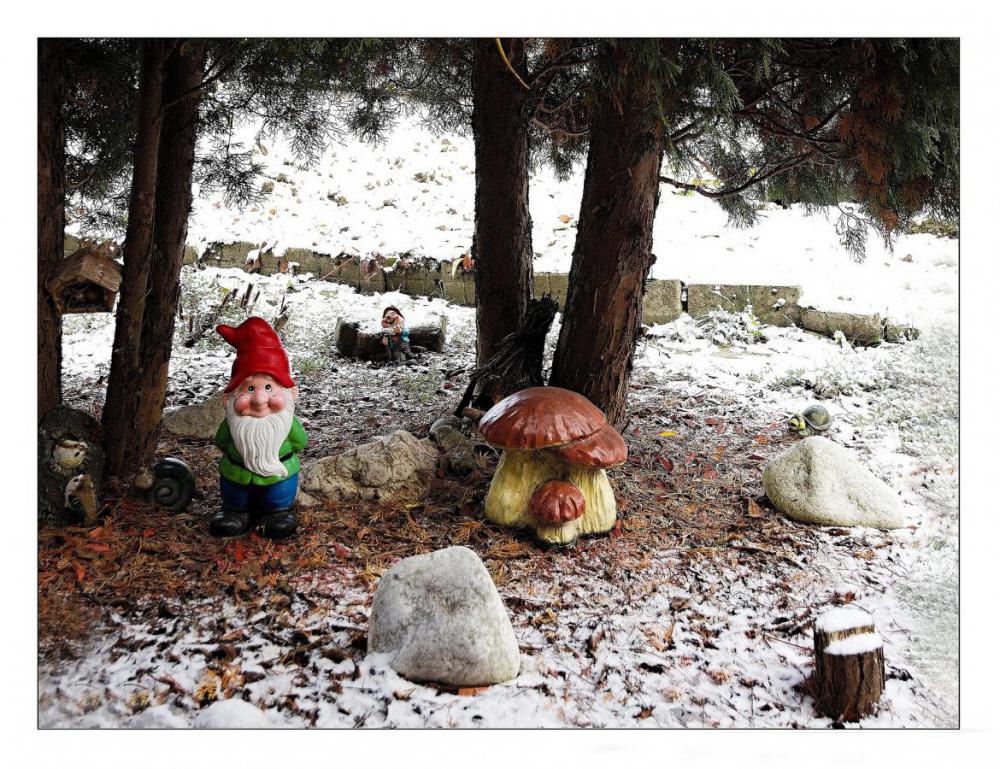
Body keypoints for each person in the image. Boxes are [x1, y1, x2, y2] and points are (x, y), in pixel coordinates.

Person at [210, 318, 308, 539]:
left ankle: (278, 513)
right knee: (235, 497)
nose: (260, 400)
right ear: (230, 397)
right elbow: (221, 441)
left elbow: (300, 442)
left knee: (278, 497)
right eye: (250, 389)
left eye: (269, 387)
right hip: (237, 476)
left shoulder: (287, 424)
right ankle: (235, 513)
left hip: (278, 478)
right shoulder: (233, 424)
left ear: (290, 394)